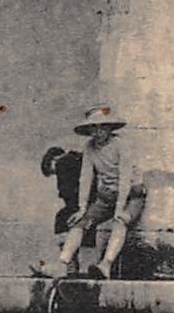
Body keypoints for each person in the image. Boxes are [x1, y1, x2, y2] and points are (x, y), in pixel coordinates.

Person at [45, 106, 143, 279]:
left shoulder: (121, 145)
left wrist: (120, 208)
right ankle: (63, 263)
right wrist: (82, 208)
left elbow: (125, 177)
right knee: (80, 223)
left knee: (120, 222)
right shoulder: (89, 147)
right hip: (106, 196)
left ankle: (105, 264)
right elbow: (86, 177)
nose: (98, 132)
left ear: (109, 128)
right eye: (94, 128)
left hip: (130, 195)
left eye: (103, 127)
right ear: (89, 130)